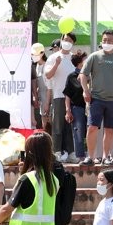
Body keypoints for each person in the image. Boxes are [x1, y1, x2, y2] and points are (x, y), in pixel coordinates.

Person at [80, 29, 113, 165]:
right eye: (104, 40)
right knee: (92, 127)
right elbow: (83, 75)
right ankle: (90, 157)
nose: (107, 42)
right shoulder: (94, 56)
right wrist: (85, 91)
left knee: (109, 129)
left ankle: (106, 157)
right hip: (96, 99)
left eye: (110, 40)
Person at [45, 32, 78, 160]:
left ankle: (71, 152)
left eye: (70, 40)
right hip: (59, 94)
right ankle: (57, 151)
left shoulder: (74, 57)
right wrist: (56, 64)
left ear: (73, 43)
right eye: (65, 39)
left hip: (74, 96)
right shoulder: (54, 57)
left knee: (71, 125)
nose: (67, 42)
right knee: (58, 124)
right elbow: (48, 75)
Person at [63, 51, 89, 164]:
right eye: (85, 59)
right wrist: (68, 111)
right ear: (80, 62)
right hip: (77, 108)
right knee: (78, 132)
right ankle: (81, 157)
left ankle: (93, 155)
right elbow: (67, 95)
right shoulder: (71, 77)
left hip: (91, 107)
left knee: (91, 131)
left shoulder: (90, 75)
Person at [30, 44, 51, 133]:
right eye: (32, 54)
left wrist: (47, 103)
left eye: (35, 54)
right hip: (41, 100)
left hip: (48, 100)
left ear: (42, 54)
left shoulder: (47, 66)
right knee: (44, 125)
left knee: (49, 125)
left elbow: (49, 87)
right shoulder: (37, 66)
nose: (33, 56)